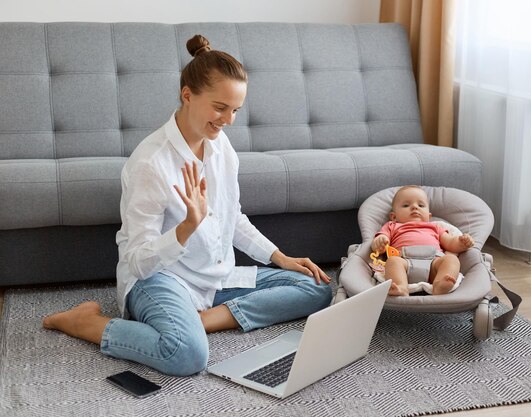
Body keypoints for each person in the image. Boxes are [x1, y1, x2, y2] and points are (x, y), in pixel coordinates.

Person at [42, 35, 332, 377]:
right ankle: (86, 323)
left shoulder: (221, 147)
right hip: (159, 279)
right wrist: (184, 230)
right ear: (187, 95)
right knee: (187, 355)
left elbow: (232, 218)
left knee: (316, 287)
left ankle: (204, 320)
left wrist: (279, 256)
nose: (228, 120)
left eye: (235, 109)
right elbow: (137, 261)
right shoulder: (151, 163)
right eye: (220, 107)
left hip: (214, 279)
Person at [371, 185, 474, 296]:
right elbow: (379, 243)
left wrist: (462, 243)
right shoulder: (392, 226)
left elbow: (450, 244)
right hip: (404, 263)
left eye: (421, 205)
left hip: (433, 264)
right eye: (406, 205)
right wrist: (380, 241)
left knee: (451, 259)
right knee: (392, 262)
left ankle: (440, 284)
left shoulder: (435, 227)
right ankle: (401, 286)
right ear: (393, 216)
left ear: (429, 216)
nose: (415, 207)